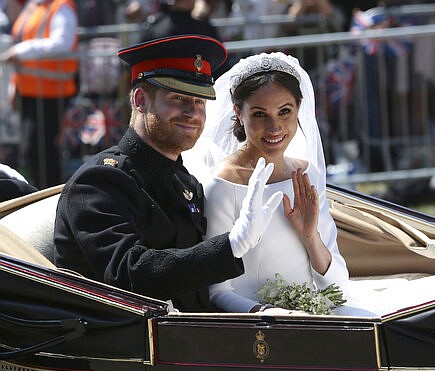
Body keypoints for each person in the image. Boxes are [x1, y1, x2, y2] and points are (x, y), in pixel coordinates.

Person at [53, 35, 283, 313]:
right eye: (178, 98)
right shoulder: (99, 182)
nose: (192, 112)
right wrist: (231, 245)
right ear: (140, 100)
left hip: (188, 337)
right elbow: (131, 275)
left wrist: (256, 311)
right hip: (127, 346)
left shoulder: (185, 182)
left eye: (200, 102)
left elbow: (198, 291)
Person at [184, 52, 349, 313]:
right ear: (238, 112)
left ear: (299, 107)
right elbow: (217, 291)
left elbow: (338, 287)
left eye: (285, 111)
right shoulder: (220, 184)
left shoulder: (307, 175)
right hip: (256, 326)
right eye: (260, 114)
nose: (275, 128)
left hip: (316, 314)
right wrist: (267, 315)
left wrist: (311, 237)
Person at [1, 0, 79, 188]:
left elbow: (62, 42)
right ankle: (39, 194)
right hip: (29, 93)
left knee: (43, 153)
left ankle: (49, 197)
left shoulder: (61, 6)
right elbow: (20, 40)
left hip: (51, 93)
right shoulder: (34, 6)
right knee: (33, 151)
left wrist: (22, 51)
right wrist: (15, 86)